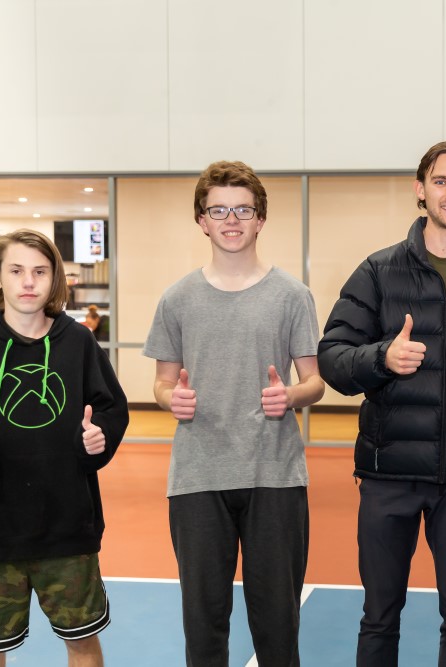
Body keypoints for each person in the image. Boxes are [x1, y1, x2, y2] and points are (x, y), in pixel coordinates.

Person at [318, 140, 446, 666]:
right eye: (440, 181)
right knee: (380, 615)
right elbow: (331, 358)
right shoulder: (378, 271)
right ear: (420, 189)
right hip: (388, 476)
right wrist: (382, 358)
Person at [143, 160, 324, 666]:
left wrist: (290, 396)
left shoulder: (292, 295)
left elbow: (315, 382)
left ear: (260, 219)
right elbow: (161, 382)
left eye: (243, 210)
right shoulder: (176, 299)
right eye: (218, 210)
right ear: (202, 220)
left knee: (277, 626)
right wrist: (168, 399)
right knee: (203, 628)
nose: (231, 220)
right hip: (198, 477)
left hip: (275, 475)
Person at [0, 229, 130, 667]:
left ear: (53, 278)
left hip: (68, 526)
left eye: (40, 271)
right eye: (16, 270)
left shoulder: (77, 342)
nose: (28, 282)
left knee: (82, 643)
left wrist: (100, 439)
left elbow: (111, 410)